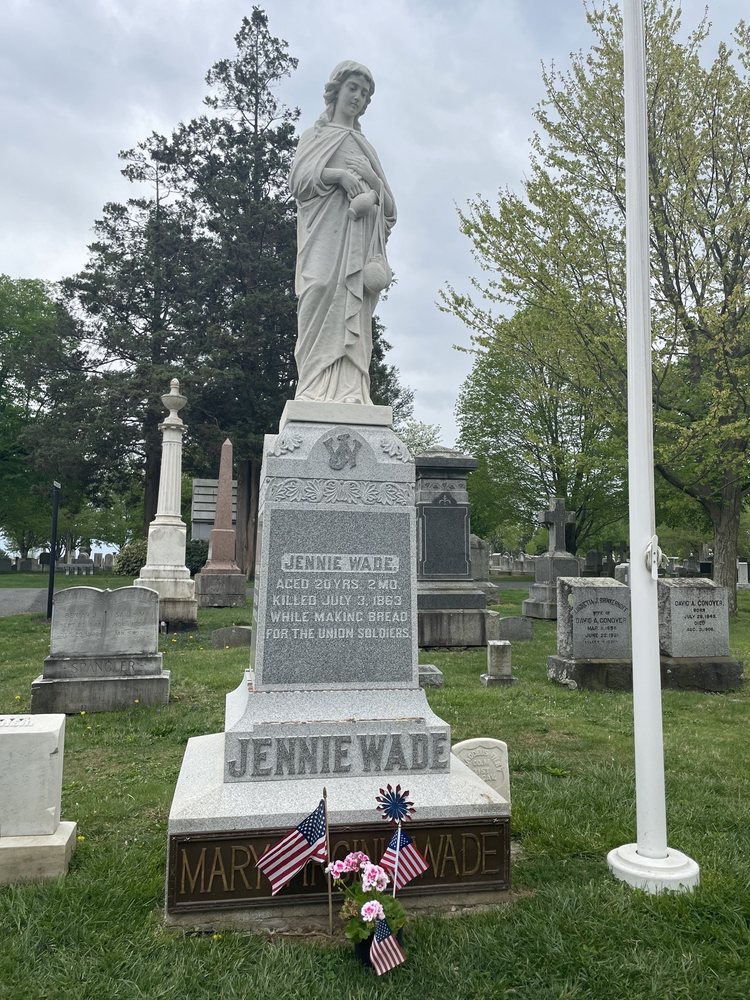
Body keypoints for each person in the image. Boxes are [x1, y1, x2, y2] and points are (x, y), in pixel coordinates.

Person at [289, 61, 397, 404]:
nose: (358, 97)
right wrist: (339, 177)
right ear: (336, 90)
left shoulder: (367, 149)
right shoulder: (315, 137)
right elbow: (299, 182)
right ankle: (312, 386)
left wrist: (372, 179)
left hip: (358, 246)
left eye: (364, 94)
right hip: (324, 234)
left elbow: (391, 211)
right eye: (353, 88)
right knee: (319, 286)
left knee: (355, 309)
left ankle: (351, 389)